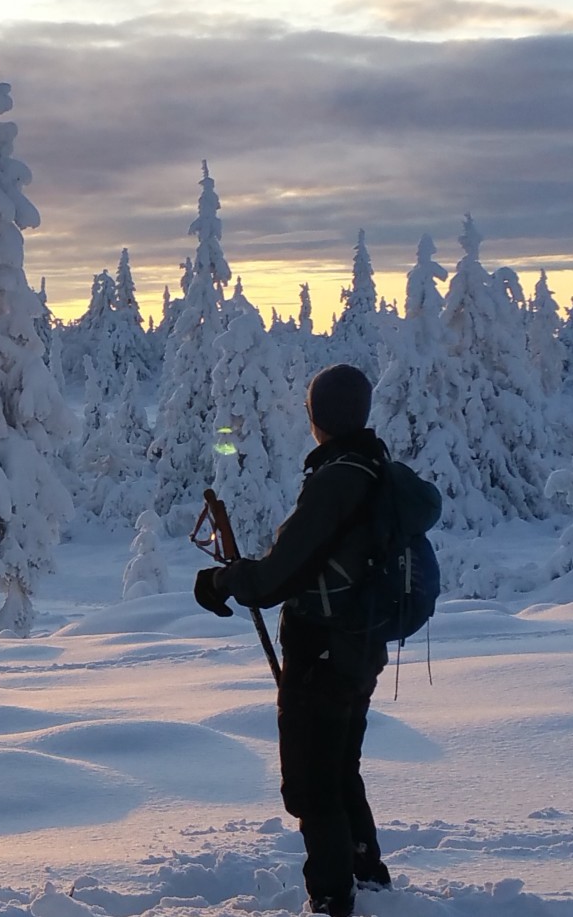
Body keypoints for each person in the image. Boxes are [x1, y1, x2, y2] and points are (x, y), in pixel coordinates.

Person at [192, 363, 393, 917]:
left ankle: (332, 899)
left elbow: (279, 576)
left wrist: (223, 581)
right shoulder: (372, 468)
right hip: (357, 649)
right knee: (339, 769)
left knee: (312, 783)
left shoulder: (336, 481)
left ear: (317, 417)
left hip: (321, 656)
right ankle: (370, 882)